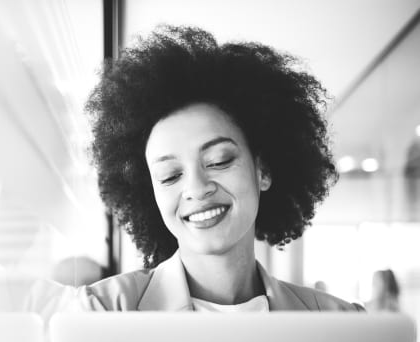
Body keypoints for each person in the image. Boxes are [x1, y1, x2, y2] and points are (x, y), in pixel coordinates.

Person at [29, 25, 362, 315]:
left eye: (218, 161)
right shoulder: (100, 313)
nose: (197, 188)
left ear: (263, 169)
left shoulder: (343, 324)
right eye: (171, 176)